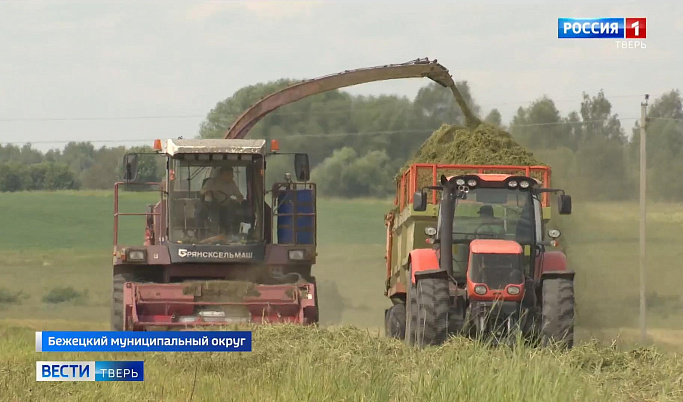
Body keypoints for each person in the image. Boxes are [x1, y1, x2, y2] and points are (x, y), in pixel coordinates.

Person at [195, 167, 244, 235]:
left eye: (232, 174)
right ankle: (205, 232)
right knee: (202, 210)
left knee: (233, 211)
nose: (232, 176)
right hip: (212, 206)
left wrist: (238, 200)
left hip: (226, 207)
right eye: (229, 174)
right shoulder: (211, 182)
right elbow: (202, 191)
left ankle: (230, 234)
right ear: (222, 174)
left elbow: (239, 196)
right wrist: (208, 193)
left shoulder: (232, 184)